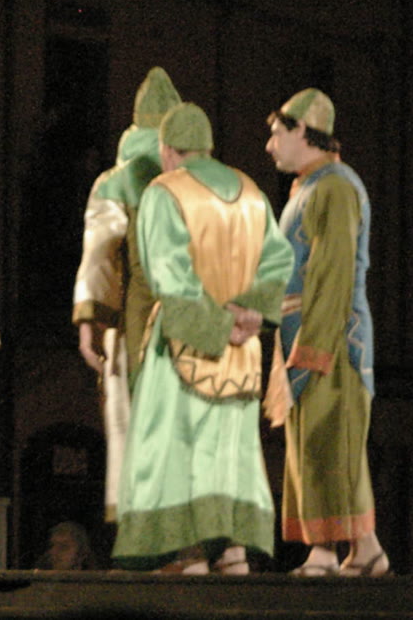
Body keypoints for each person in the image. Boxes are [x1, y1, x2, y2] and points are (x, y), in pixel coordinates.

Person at [112, 103, 293, 573]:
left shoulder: (165, 192)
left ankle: (190, 553)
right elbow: (278, 260)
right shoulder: (251, 193)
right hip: (242, 352)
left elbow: (169, 273)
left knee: (178, 448)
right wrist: (251, 312)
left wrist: (215, 324)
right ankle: (232, 552)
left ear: (168, 150)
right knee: (230, 453)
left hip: (186, 343)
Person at [262, 88, 387, 576]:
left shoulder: (334, 187)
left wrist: (314, 344)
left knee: (327, 443)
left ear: (302, 131)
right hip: (307, 329)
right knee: (323, 443)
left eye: (277, 134)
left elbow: (333, 270)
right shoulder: (310, 187)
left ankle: (323, 552)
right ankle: (367, 550)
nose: (270, 145)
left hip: (332, 337)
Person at [71, 66, 180, 528]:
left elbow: (102, 249)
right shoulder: (199, 182)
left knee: (130, 421)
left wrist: (89, 318)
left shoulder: (116, 181)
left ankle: (143, 534)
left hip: (134, 317)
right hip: (191, 321)